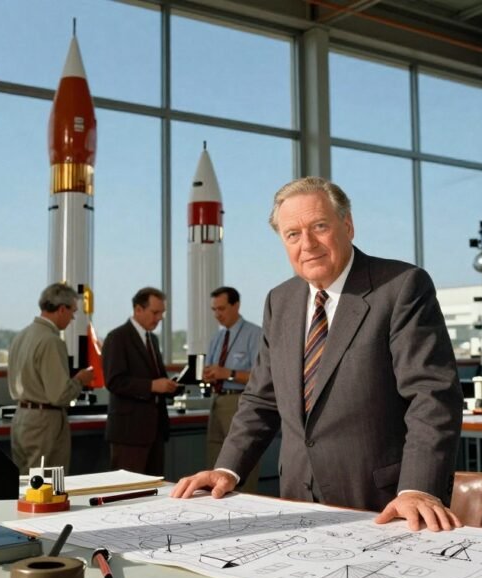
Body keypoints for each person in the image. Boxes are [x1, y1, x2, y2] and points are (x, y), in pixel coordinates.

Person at [172, 177, 464, 532]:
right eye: (292, 234)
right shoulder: (280, 301)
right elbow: (261, 399)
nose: (307, 244)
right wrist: (227, 469)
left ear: (348, 225)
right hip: (296, 501)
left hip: (384, 506)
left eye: (319, 227)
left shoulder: (401, 286)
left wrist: (418, 488)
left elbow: (431, 396)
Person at [7, 283, 94, 474]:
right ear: (61, 309)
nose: (72, 318)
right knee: (46, 485)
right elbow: (59, 395)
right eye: (72, 311)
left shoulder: (21, 336)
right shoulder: (51, 341)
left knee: (24, 482)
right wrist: (80, 379)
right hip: (45, 422)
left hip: (21, 417)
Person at [102, 287, 178, 475]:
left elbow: (156, 377)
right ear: (138, 309)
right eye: (155, 312)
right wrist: (152, 386)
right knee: (126, 491)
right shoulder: (117, 338)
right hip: (129, 432)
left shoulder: (152, 339)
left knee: (154, 490)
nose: (159, 318)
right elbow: (114, 381)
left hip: (155, 430)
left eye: (162, 313)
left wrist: (170, 386)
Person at [202, 286, 262, 493]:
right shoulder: (216, 338)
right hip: (217, 401)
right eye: (214, 310)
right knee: (216, 461)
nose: (218, 314)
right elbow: (213, 371)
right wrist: (209, 375)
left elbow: (261, 377)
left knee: (242, 462)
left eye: (222, 309)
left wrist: (228, 374)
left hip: (239, 402)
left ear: (236, 305)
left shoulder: (255, 334)